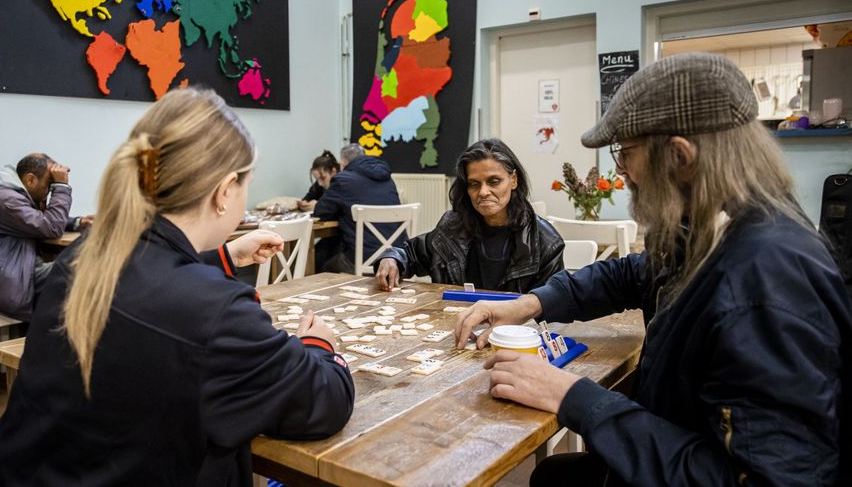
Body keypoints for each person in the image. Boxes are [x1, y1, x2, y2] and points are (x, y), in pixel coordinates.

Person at [454, 53, 852, 486]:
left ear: (679, 156)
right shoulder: (717, 225)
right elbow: (633, 273)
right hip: (671, 432)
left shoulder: (767, 281)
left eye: (625, 154)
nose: (621, 171)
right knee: (553, 475)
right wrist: (530, 303)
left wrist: (573, 396)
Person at [0, 88, 354, 486]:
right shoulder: (215, 310)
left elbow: (149, 286)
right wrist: (318, 345)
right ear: (224, 191)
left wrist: (222, 257)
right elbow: (325, 400)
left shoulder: (86, 254)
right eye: (247, 184)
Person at [375, 138, 564, 292]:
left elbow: (552, 305)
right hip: (453, 326)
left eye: (494, 181)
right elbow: (411, 253)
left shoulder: (546, 242)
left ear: (513, 180)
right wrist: (392, 258)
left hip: (513, 334)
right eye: (474, 184)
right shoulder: (452, 227)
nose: (483, 192)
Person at [0, 154, 93, 321]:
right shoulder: (7, 199)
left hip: (0, 278)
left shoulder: (7, 194)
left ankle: (50, 338)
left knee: (74, 272)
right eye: (49, 186)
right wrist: (62, 186)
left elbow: (36, 219)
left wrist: (77, 222)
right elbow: (51, 227)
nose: (49, 192)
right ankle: (56, 341)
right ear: (30, 180)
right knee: (80, 270)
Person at [313, 143, 402, 273]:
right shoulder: (387, 178)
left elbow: (320, 212)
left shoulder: (342, 180)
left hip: (364, 259)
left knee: (322, 260)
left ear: (342, 164)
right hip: (395, 256)